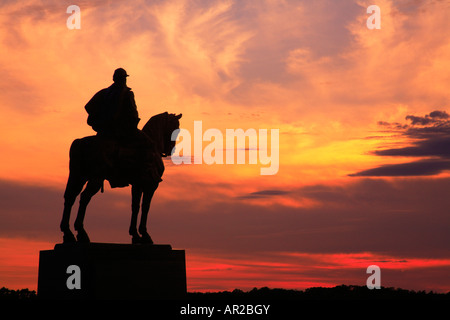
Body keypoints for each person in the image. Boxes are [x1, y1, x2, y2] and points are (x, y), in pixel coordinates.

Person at [84, 68, 159, 188]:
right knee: (148, 144)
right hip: (121, 130)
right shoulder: (127, 93)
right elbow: (133, 114)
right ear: (122, 79)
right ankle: (143, 174)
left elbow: (88, 106)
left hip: (104, 131)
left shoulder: (104, 92)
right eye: (124, 78)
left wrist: (101, 119)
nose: (124, 80)